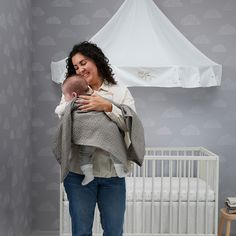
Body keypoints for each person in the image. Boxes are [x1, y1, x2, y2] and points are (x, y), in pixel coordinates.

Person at [54, 41, 138, 236]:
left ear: (96, 60)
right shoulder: (72, 92)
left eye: (83, 63)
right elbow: (65, 121)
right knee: (81, 231)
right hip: (78, 173)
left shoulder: (120, 91)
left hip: (112, 176)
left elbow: (130, 125)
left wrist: (107, 107)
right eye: (76, 67)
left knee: (114, 231)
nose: (80, 69)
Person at [57, 74, 128, 185]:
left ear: (74, 94)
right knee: (113, 148)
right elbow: (110, 101)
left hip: (87, 136)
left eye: (65, 95)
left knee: (84, 154)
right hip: (106, 131)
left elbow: (60, 111)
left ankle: (88, 175)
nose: (65, 98)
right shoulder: (97, 97)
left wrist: (63, 105)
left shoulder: (74, 101)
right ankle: (119, 170)